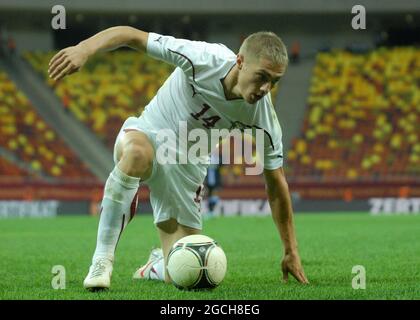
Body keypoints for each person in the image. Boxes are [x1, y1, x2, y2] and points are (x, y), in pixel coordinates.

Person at [47, 26, 309, 290]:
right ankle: (101, 260)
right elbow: (131, 35)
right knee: (136, 154)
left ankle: (156, 266)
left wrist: (291, 250)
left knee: (187, 273)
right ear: (240, 62)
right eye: (261, 76)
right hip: (149, 133)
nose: (266, 88)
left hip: (188, 169)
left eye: (274, 82)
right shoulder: (203, 58)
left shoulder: (263, 119)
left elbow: (276, 185)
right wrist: (84, 49)